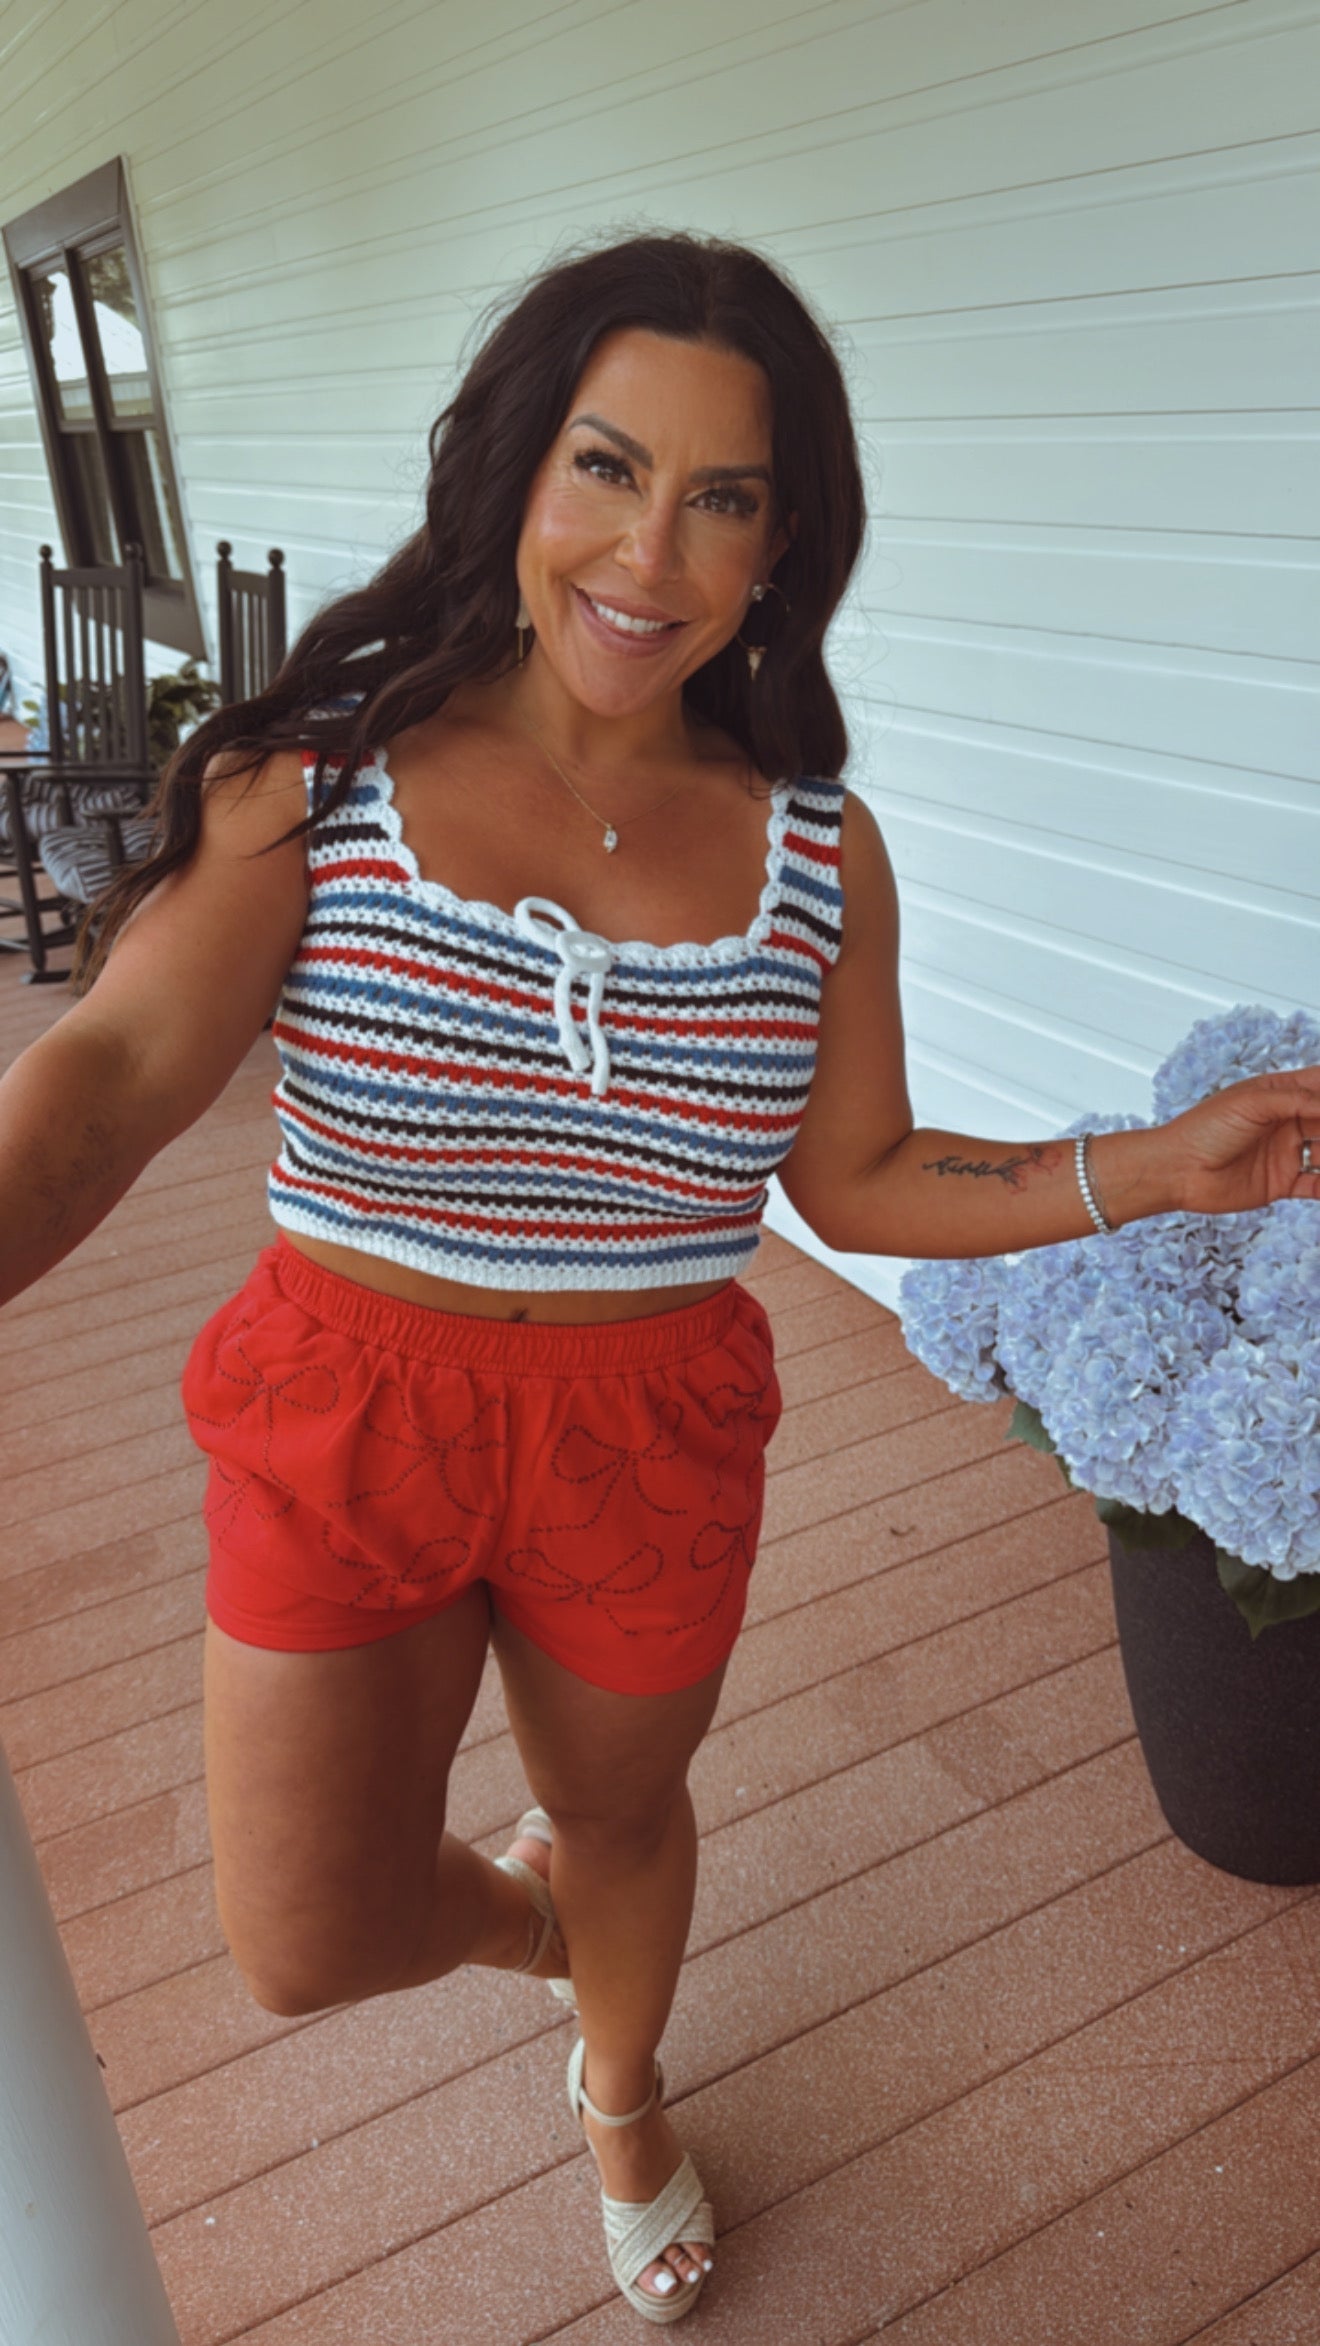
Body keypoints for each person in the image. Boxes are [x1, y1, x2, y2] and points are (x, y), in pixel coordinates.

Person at [2, 231, 1317, 2328]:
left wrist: (1150, 1169)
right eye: (609, 467)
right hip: (354, 1403)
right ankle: (546, 1951)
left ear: (787, 543)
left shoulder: (815, 846)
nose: (653, 549)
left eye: (727, 496)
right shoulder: (320, 780)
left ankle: (623, 2077)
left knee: (622, 1812)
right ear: (518, 472)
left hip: (651, 1425)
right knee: (302, 1934)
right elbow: (104, 1077)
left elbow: (862, 1178)